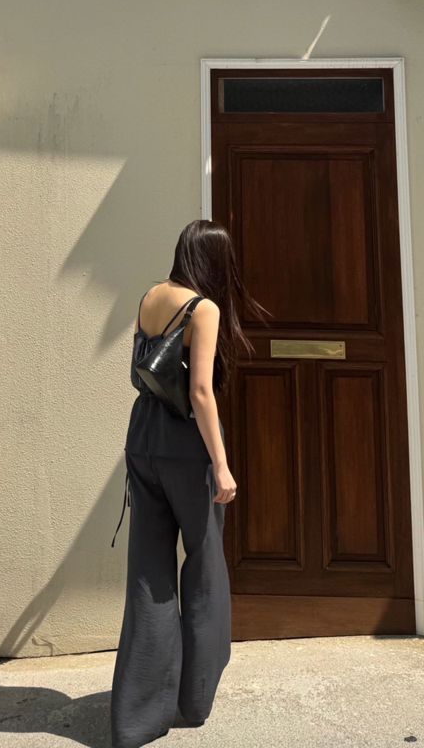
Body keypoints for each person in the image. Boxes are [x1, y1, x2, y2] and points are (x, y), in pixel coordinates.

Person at [110, 218, 269, 748]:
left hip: (142, 438)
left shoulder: (151, 296)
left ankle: (136, 720)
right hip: (186, 447)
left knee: (148, 572)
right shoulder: (204, 309)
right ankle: (195, 698)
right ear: (215, 261)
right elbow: (200, 391)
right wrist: (221, 464)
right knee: (204, 566)